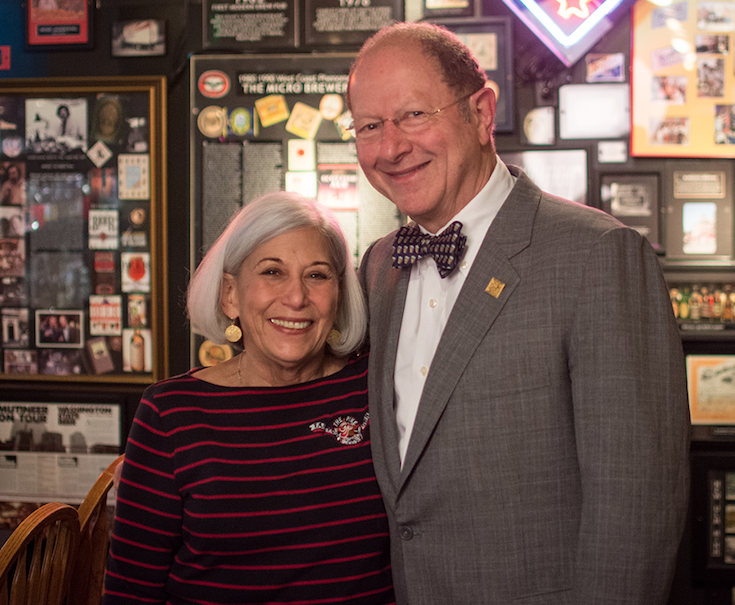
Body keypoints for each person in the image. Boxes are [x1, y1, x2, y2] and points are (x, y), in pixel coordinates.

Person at [347, 22, 690, 605]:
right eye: (370, 126)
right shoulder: (380, 267)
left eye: (412, 116)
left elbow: (636, 503)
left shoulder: (596, 255)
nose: (390, 147)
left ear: (482, 112)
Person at [103, 192, 394, 604]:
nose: (296, 298)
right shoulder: (172, 413)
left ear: (340, 293)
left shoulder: (374, 384)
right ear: (230, 295)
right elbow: (131, 592)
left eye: (317, 275)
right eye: (272, 272)